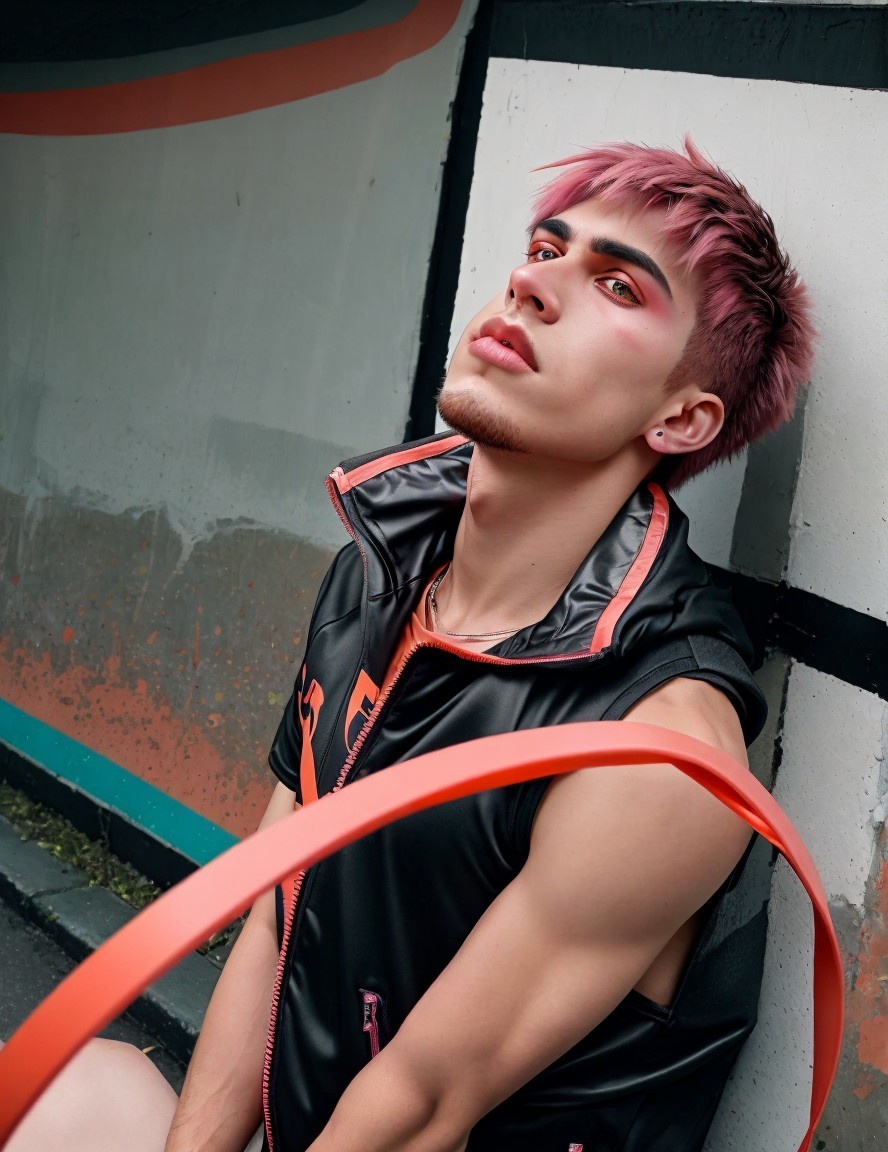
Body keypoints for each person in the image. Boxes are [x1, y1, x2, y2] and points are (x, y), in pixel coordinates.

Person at [7, 138, 814, 1152]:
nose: (534, 283)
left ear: (685, 417)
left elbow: (421, 1109)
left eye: (616, 284)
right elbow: (278, 917)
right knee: (81, 1090)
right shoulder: (376, 580)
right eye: (545, 248)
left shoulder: (662, 747)